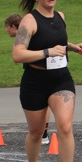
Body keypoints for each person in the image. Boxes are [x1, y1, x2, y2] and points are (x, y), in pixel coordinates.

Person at [12, 0, 82, 162]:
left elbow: (57, 42)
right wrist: (47, 52)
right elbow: (18, 55)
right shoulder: (29, 21)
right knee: (36, 133)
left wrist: (72, 47)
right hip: (35, 81)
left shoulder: (60, 16)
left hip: (60, 79)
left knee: (65, 126)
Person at [5, 13, 50, 145]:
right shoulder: (33, 32)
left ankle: (42, 134)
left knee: (42, 104)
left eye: (7, 27)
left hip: (39, 72)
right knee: (44, 104)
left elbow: (19, 57)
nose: (6, 30)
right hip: (41, 71)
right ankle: (43, 134)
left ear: (14, 26)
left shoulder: (27, 37)